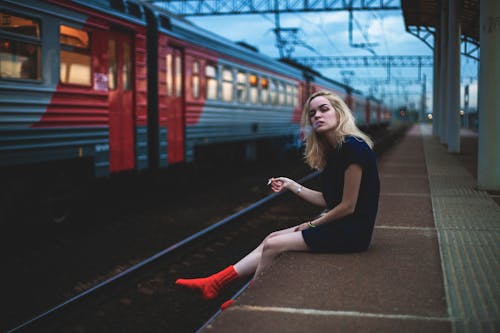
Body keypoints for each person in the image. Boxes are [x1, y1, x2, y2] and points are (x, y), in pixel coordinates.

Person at [175, 90, 380, 309]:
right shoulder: (335, 151)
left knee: (273, 245)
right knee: (271, 236)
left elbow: (348, 206)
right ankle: (216, 282)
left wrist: (310, 225)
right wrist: (292, 185)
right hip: (341, 226)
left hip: (352, 233)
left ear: (339, 113)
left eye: (324, 109)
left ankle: (248, 301)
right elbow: (327, 199)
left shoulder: (354, 148)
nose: (317, 116)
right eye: (312, 113)